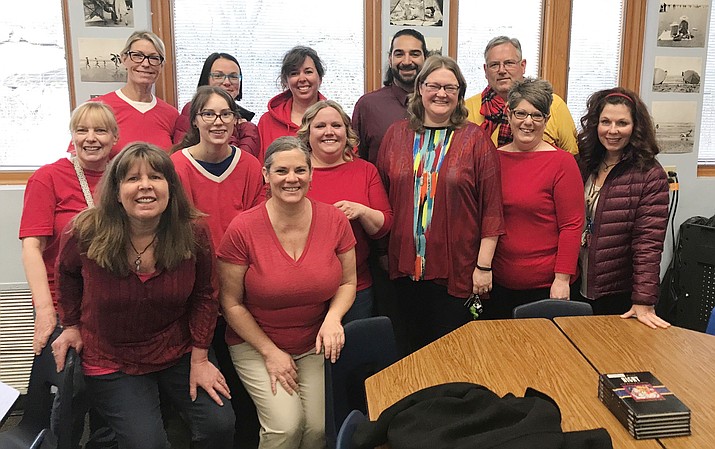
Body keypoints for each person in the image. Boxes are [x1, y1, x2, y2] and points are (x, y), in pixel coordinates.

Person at [51, 143, 235, 449]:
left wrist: (201, 357)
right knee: (147, 443)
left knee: (220, 425)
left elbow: (205, 294)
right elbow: (66, 274)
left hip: (177, 349)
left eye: (156, 177)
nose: (145, 186)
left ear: (171, 187)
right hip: (111, 355)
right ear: (116, 189)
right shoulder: (86, 231)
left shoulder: (194, 232)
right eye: (132, 178)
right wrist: (70, 324)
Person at [218, 136, 357, 448]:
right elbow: (230, 303)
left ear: (310, 174)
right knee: (286, 427)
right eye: (281, 171)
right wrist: (270, 352)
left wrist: (334, 318)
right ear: (266, 175)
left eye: (299, 170)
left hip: (313, 341)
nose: (291, 179)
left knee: (319, 430)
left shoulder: (334, 220)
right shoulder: (243, 229)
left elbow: (348, 283)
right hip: (255, 343)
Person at [377, 55, 504, 353]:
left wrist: (483, 267)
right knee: (409, 352)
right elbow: (382, 195)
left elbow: (492, 209)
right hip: (404, 269)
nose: (441, 94)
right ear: (420, 88)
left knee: (452, 355)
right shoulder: (396, 135)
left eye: (450, 87)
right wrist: (383, 252)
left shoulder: (476, 140)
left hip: (457, 270)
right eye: (434, 85)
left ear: (460, 93)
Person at [19, 102, 118, 448]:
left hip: (109, 303)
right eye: (82, 130)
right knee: (70, 391)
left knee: (111, 390)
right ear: (72, 136)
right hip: (62, 302)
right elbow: (32, 248)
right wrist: (45, 312)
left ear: (114, 137)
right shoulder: (48, 177)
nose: (91, 139)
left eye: (101, 130)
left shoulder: (122, 176)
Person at [171, 85, 264, 447]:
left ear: (236, 120)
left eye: (226, 114)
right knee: (206, 383)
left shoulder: (250, 165)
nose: (218, 121)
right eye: (208, 114)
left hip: (241, 285)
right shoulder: (176, 166)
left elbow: (258, 225)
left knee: (242, 381)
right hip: (196, 289)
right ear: (195, 120)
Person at [484, 79, 584, 319]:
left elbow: (572, 226)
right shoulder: (493, 159)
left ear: (547, 120)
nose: (528, 122)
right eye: (521, 113)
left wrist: (562, 279)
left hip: (547, 287)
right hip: (500, 284)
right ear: (508, 115)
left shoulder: (562, 163)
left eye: (537, 115)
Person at [575, 87, 671, 329]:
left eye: (622, 123)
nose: (613, 130)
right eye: (605, 122)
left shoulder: (649, 173)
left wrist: (644, 300)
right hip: (576, 283)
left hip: (617, 291)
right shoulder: (584, 162)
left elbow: (648, 242)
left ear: (635, 127)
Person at [297, 100, 392, 322]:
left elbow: (384, 226)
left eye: (336, 126)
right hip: (303, 290)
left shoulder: (364, 170)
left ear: (346, 132)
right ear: (307, 133)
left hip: (356, 288)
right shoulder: (296, 173)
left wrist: (361, 211)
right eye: (320, 126)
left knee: (351, 353)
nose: (329, 132)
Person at [464, 36, 578, 155]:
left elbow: (573, 155)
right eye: (494, 65)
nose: (502, 70)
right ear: (485, 70)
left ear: (523, 66)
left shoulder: (553, 104)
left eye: (509, 63)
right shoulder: (467, 108)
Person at [72, 31, 178, 158]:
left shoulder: (171, 115)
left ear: (161, 65)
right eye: (137, 56)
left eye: (154, 58)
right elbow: (78, 162)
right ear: (124, 59)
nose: (145, 64)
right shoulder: (98, 109)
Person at [352, 29, 427, 164]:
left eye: (414, 54)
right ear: (390, 59)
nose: (406, 61)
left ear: (425, 59)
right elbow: (356, 161)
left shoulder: (438, 104)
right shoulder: (368, 106)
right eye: (399, 54)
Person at [174, 52, 260, 158]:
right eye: (218, 76)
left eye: (233, 76)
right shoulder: (192, 109)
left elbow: (242, 162)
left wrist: (247, 128)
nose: (227, 82)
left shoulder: (245, 120)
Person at [257, 46, 326, 163]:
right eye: (294, 73)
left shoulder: (335, 120)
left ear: (320, 78)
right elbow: (260, 169)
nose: (302, 78)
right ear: (285, 80)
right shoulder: (267, 122)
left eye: (308, 72)